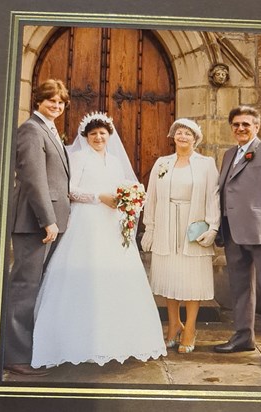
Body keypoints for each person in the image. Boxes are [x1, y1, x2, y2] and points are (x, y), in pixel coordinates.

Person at [31, 112, 167, 368]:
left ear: (109, 135)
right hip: (87, 222)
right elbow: (70, 190)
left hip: (111, 224)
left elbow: (121, 187)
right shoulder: (79, 157)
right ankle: (77, 342)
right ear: (86, 137)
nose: (98, 137)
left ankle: (119, 341)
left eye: (102, 133)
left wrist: (131, 197)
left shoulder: (114, 161)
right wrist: (98, 197)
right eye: (93, 134)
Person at [214, 105, 261, 370]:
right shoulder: (228, 154)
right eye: (236, 124)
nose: (240, 129)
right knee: (240, 289)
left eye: (246, 124)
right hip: (233, 232)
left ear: (256, 126)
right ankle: (243, 337)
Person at [4, 79, 71, 375]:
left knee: (37, 288)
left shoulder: (49, 129)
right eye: (51, 100)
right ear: (38, 101)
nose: (56, 106)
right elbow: (33, 178)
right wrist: (48, 220)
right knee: (24, 288)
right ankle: (15, 356)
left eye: (60, 102)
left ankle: (31, 349)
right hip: (35, 223)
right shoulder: (31, 129)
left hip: (48, 222)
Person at [141, 118, 220, 353]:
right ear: (173, 137)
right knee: (170, 277)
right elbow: (151, 197)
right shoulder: (162, 163)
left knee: (192, 280)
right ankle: (174, 324)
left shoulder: (206, 164)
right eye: (179, 133)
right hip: (166, 225)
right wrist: (150, 228)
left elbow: (213, 197)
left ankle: (190, 328)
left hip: (193, 227)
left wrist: (212, 227)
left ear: (195, 139)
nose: (183, 136)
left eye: (188, 133)